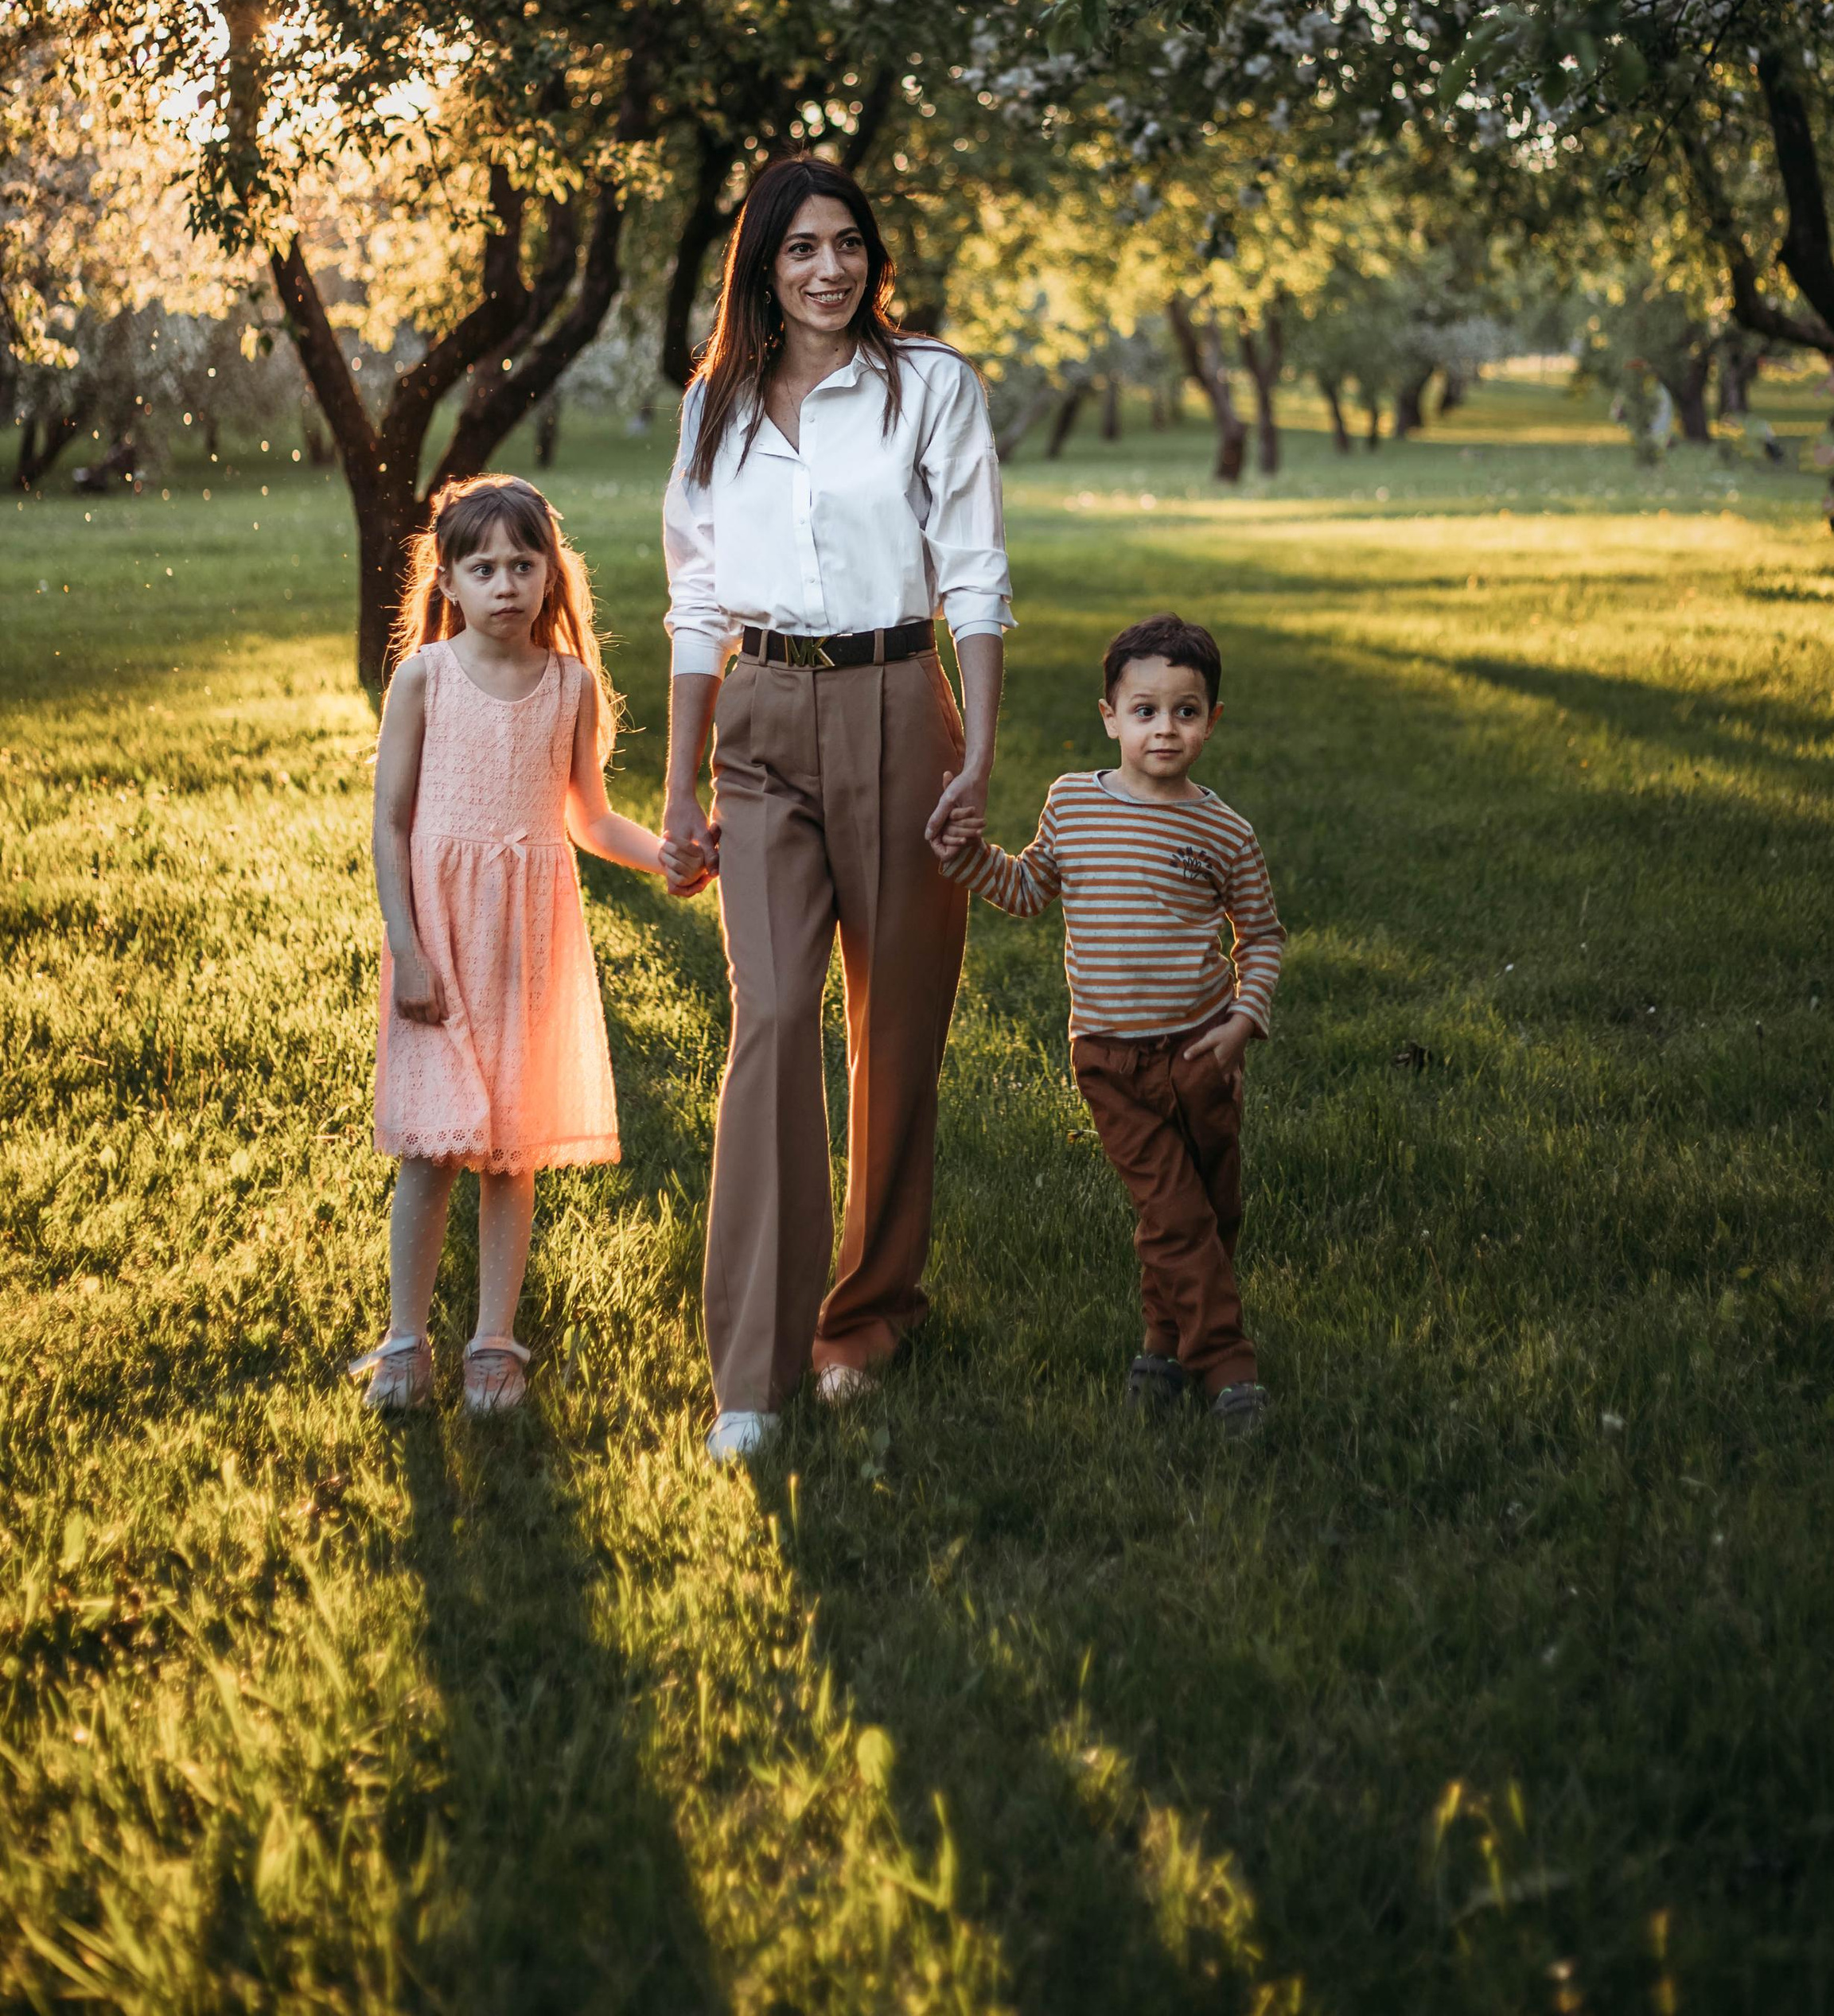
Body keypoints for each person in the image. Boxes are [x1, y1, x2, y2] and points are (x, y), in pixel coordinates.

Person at [660, 157, 1010, 1462]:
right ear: (763, 265)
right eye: (802, 247)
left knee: (897, 1026)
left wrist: (979, 750)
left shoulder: (931, 387)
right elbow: (695, 604)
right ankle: (752, 1372)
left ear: (873, 258)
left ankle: (865, 1317)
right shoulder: (714, 409)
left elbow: (974, 573)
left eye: (848, 244)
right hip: (759, 720)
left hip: (899, 701)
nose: (829, 268)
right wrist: (679, 779)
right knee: (768, 1019)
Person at [352, 474, 666, 1418]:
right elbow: (390, 824)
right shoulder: (425, 678)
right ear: (447, 579)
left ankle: (494, 1340)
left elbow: (591, 819)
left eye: (523, 565)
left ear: (550, 575)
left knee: (509, 1150)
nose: (504, 584)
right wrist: (407, 950)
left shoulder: (570, 686)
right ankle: (406, 1338)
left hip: (528, 940)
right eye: (483, 568)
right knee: (430, 1147)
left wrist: (673, 858)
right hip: (438, 937)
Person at [932, 612, 1281, 1435]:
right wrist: (967, 858)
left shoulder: (1224, 831)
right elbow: (1027, 889)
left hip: (1201, 1052)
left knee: (1210, 1209)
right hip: (1111, 1061)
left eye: (1185, 712)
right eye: (1145, 710)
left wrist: (1243, 1021)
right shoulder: (1073, 804)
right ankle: (1228, 1370)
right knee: (1175, 1214)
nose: (1165, 729)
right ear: (1110, 718)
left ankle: (1161, 1348)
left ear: (1211, 721)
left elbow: (1262, 936)